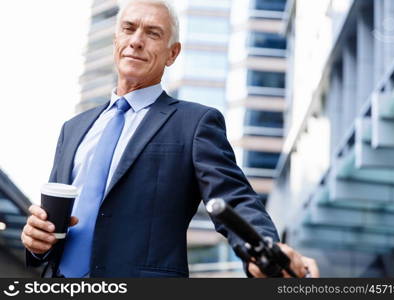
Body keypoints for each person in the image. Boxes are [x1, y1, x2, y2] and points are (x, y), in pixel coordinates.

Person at [21, 0, 319, 278]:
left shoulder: (194, 123)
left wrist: (265, 249)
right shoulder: (73, 129)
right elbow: (52, 224)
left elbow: (233, 198)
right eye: (128, 28)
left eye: (152, 33)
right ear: (116, 41)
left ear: (172, 53)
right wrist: (37, 243)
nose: (136, 40)